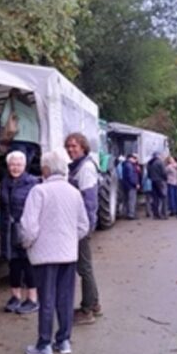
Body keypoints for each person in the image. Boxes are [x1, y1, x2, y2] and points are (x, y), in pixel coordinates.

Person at [20, 150, 90, 354]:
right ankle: (64, 340)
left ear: (45, 169)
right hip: (68, 254)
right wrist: (69, 240)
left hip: (44, 255)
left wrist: (28, 245)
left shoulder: (38, 191)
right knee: (65, 299)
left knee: (46, 299)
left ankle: (44, 344)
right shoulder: (74, 192)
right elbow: (83, 226)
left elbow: (29, 227)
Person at [64, 132, 101, 325]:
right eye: (68, 146)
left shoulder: (85, 168)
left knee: (84, 267)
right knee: (86, 266)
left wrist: (85, 228)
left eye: (74, 146)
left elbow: (89, 201)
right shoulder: (78, 167)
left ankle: (87, 310)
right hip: (80, 225)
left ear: (83, 147)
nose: (71, 150)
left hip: (81, 226)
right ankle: (94, 303)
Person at [0, 151, 40, 314]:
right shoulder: (5, 181)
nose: (15, 168)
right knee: (13, 263)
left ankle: (32, 298)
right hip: (8, 228)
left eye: (18, 165)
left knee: (28, 263)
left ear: (24, 166)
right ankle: (15, 296)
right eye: (12, 164)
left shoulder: (32, 183)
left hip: (25, 228)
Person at [147, 152, 168, 219]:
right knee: (163, 197)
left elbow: (148, 174)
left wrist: (151, 178)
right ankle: (164, 214)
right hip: (160, 181)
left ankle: (156, 214)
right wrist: (165, 179)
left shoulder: (149, 163)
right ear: (158, 156)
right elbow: (164, 172)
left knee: (155, 198)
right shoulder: (160, 162)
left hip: (153, 181)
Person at [121, 154, 139, 220]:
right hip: (131, 186)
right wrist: (136, 184)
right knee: (132, 200)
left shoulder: (125, 164)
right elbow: (131, 176)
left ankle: (126, 213)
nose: (135, 160)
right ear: (130, 158)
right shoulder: (130, 166)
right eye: (134, 158)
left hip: (125, 185)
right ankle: (131, 214)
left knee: (126, 200)